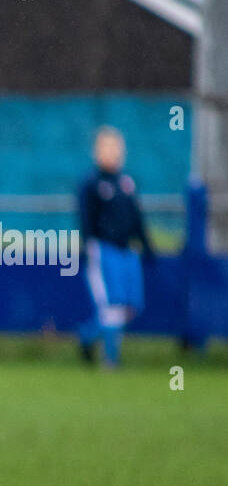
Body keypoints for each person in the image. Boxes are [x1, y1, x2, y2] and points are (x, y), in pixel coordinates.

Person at [78, 126, 154, 367]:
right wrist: (88, 245)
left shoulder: (126, 183)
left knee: (129, 307)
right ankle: (110, 360)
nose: (112, 153)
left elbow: (137, 217)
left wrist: (146, 245)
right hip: (104, 250)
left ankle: (87, 336)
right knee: (111, 307)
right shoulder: (91, 183)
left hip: (127, 252)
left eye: (116, 147)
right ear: (97, 152)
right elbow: (86, 218)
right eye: (106, 148)